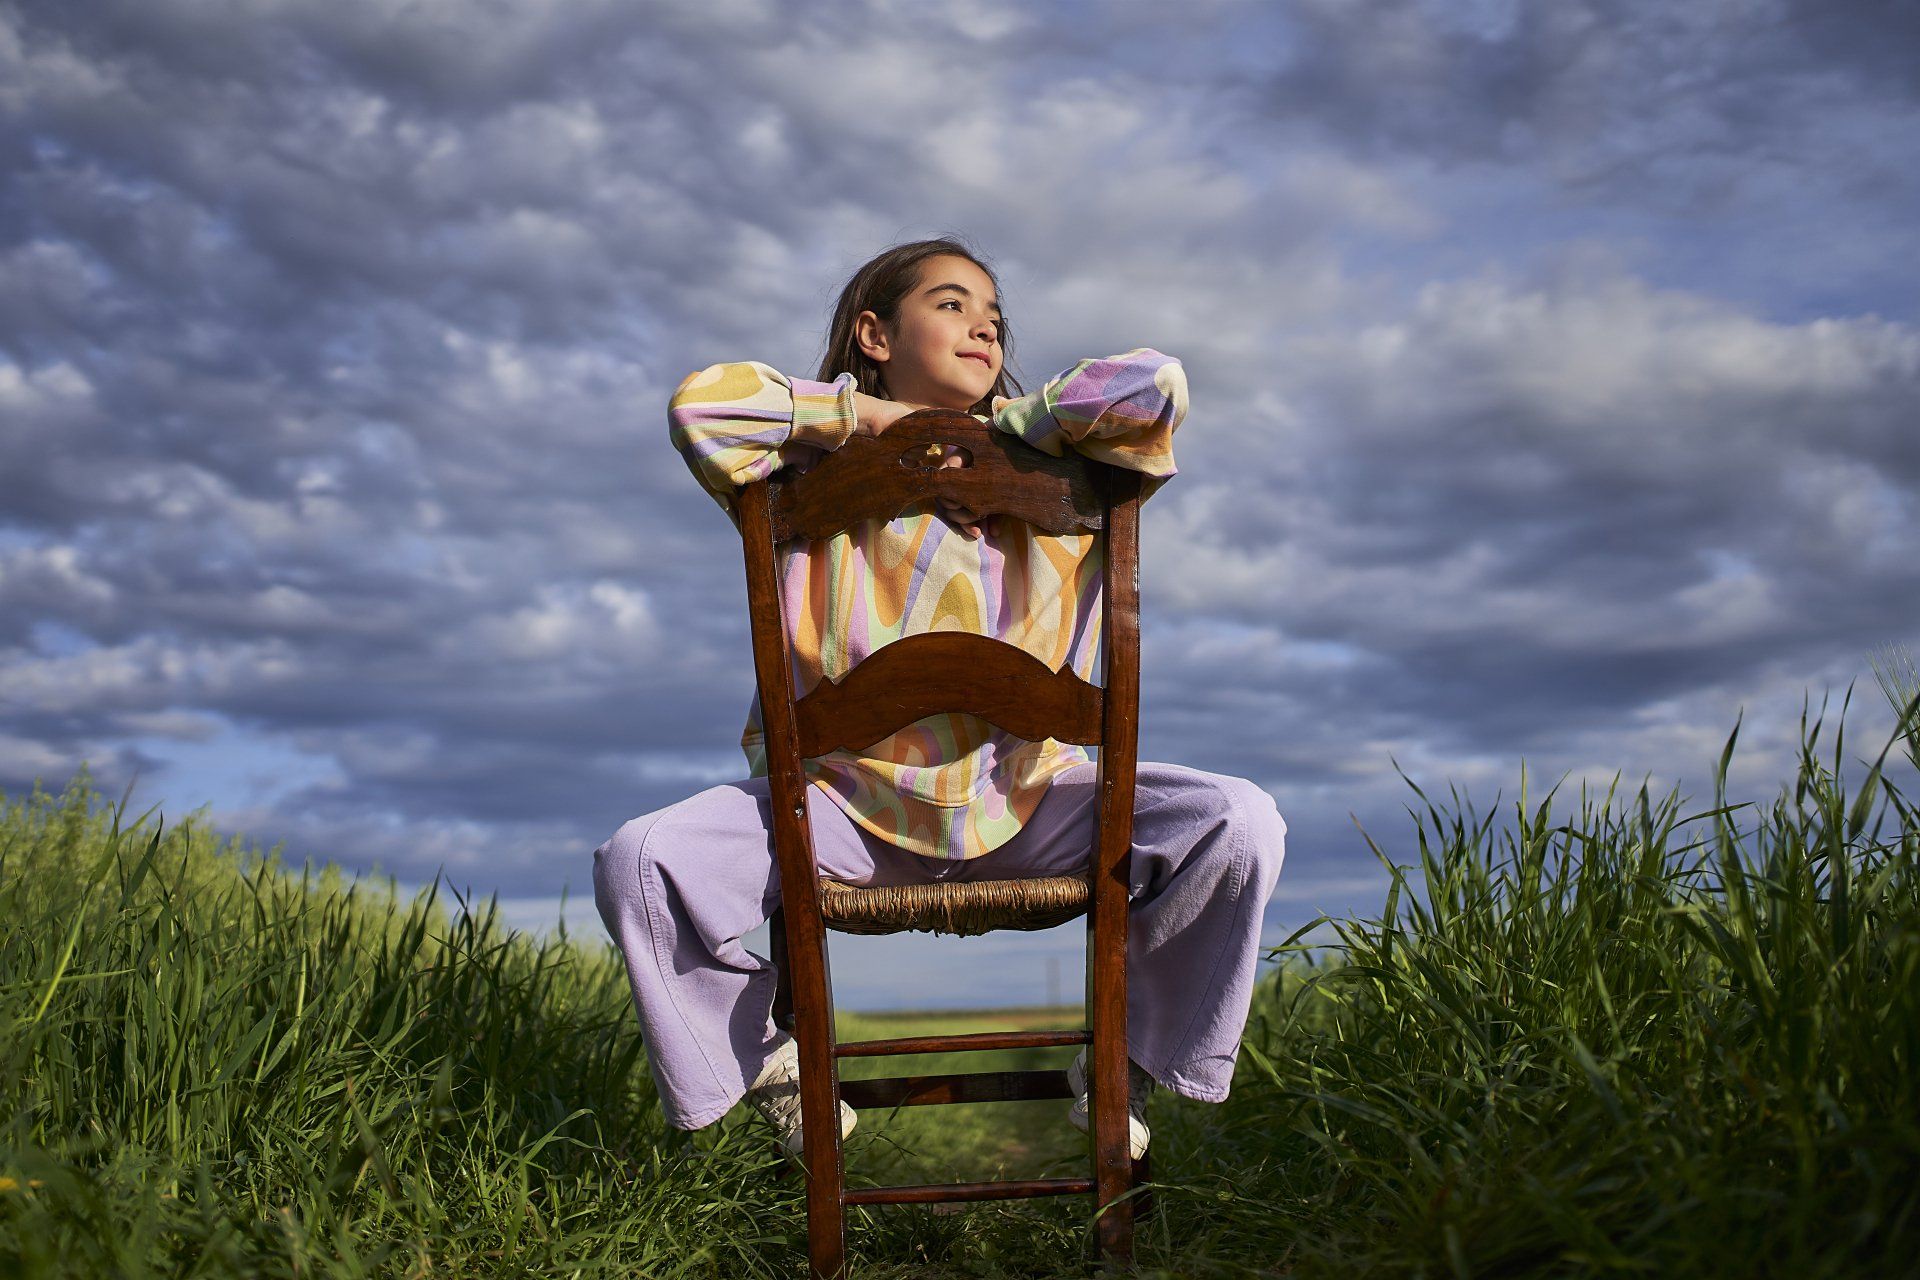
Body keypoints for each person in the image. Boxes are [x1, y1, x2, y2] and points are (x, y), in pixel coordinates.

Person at [592, 236, 1287, 1159]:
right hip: (837, 813)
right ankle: (770, 1064)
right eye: (953, 305)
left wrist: (1003, 439)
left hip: (1029, 801)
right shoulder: (803, 469)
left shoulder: (1062, 471)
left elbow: (1153, 384)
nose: (985, 328)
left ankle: (1129, 1064)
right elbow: (704, 404)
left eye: (995, 316)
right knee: (642, 859)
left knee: (1237, 821)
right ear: (875, 335)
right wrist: (883, 426)